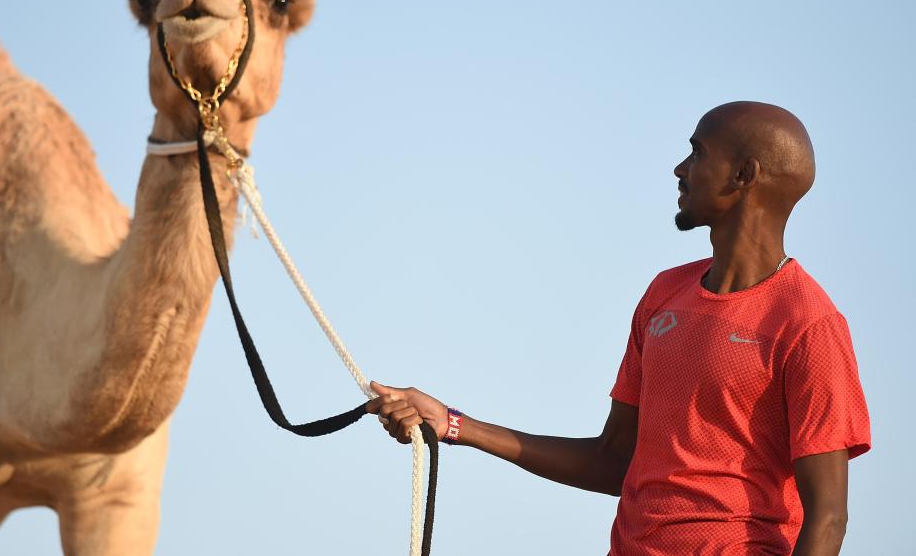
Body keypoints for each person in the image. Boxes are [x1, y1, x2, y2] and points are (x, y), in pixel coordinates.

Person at [367, 101, 871, 556]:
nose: (679, 169)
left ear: (743, 174)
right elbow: (613, 460)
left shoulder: (808, 324)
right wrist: (456, 426)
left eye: (696, 153)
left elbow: (827, 519)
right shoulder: (663, 295)